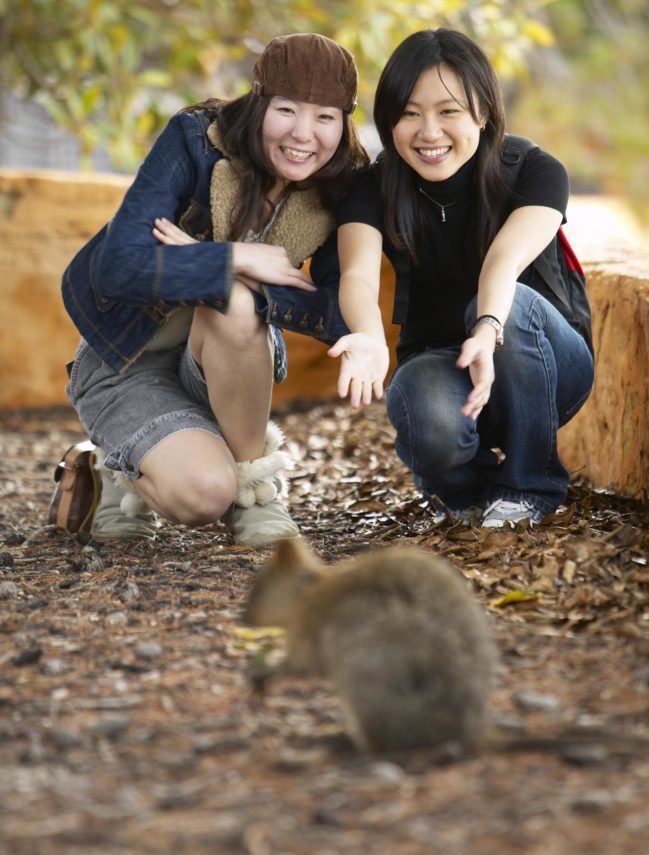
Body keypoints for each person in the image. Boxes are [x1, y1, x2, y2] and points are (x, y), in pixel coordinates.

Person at [62, 33, 368, 546]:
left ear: (344, 121)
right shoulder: (195, 141)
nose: (304, 134)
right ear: (258, 101)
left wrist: (222, 270)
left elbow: (333, 303)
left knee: (235, 302)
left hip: (227, 368)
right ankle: (115, 467)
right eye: (287, 110)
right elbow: (117, 266)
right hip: (128, 359)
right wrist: (232, 256)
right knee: (204, 495)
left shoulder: (342, 182)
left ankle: (256, 489)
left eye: (325, 117)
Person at [329, 28, 594, 528]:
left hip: (543, 365)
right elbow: (358, 275)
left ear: (484, 113)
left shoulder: (535, 171)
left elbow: (504, 260)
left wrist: (486, 329)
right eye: (409, 113)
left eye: (449, 111)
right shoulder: (372, 189)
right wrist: (368, 336)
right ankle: (465, 495)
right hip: (442, 363)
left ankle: (529, 487)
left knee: (502, 303)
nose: (429, 132)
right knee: (423, 405)